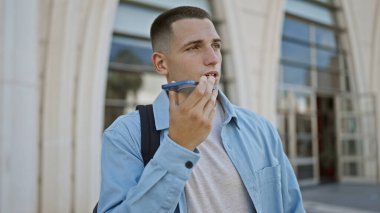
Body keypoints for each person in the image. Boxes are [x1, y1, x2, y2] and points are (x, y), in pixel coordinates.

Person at [98, 6, 305, 213]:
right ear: (161, 64)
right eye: (194, 47)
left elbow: (292, 207)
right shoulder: (125, 136)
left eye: (215, 45)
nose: (212, 58)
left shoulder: (260, 129)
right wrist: (179, 147)